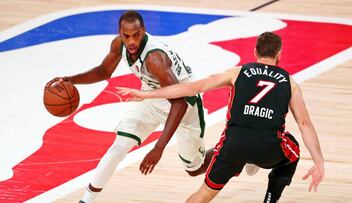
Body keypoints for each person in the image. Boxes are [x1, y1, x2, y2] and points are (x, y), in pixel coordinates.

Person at [46, 10, 257, 202]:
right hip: (152, 97)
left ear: (143, 31)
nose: (131, 41)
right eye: (126, 35)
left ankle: (244, 153)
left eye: (136, 35)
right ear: (120, 32)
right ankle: (87, 200)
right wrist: (69, 79)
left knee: (195, 168)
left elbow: (179, 103)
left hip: (185, 105)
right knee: (118, 147)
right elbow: (103, 72)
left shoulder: (155, 58)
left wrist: (158, 147)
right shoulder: (119, 44)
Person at [117, 32, 325, 203]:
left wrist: (145, 94)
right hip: (268, 146)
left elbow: (191, 88)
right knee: (293, 150)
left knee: (203, 195)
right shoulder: (290, 82)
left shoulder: (237, 72)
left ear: (255, 52)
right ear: (279, 54)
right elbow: (305, 124)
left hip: (234, 144)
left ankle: (247, 161)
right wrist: (319, 163)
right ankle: (270, 199)